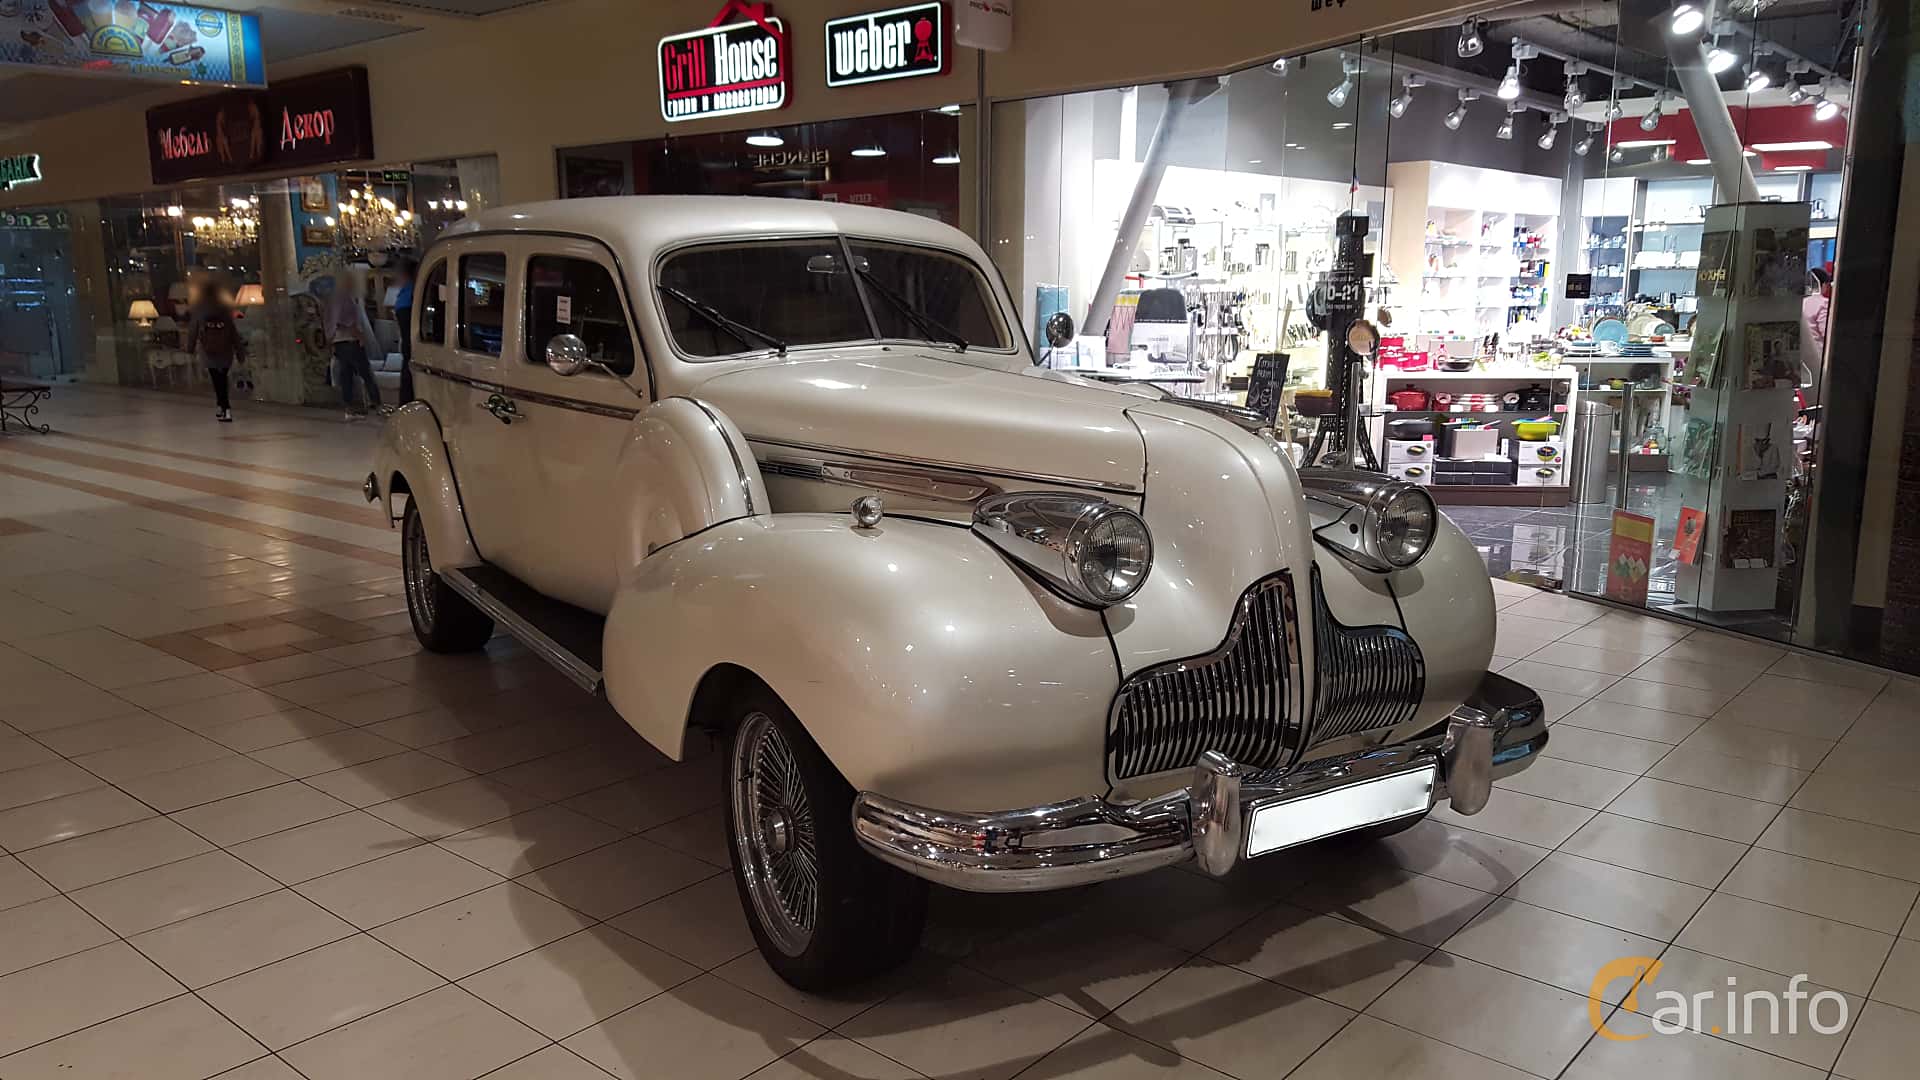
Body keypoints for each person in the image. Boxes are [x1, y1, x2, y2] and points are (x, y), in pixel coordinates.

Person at [325, 268, 383, 420]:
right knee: (366, 373)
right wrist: (360, 336)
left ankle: (349, 408)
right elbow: (346, 321)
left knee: (347, 376)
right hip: (350, 341)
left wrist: (331, 341)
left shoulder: (334, 299)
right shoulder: (345, 298)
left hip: (339, 343)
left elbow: (331, 323)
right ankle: (377, 404)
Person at [185, 280, 244, 422]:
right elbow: (233, 333)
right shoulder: (224, 310)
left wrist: (190, 349)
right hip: (226, 351)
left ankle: (223, 407)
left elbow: (193, 331)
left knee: (216, 380)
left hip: (208, 352)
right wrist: (240, 352)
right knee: (223, 379)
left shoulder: (199, 311)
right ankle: (224, 408)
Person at [393, 258, 417, 405]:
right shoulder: (412, 292)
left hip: (409, 343)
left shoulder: (406, 293)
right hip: (412, 343)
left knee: (408, 374)